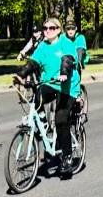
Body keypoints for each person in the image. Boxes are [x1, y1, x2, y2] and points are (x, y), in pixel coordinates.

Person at [14, 17, 80, 175]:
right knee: (37, 98)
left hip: (67, 87)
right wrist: (21, 74)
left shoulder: (66, 43)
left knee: (60, 119)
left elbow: (68, 60)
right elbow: (34, 63)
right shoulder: (42, 46)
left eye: (52, 28)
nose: (48, 31)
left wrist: (64, 73)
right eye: (45, 28)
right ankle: (41, 127)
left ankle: (67, 157)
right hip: (49, 83)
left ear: (58, 30)